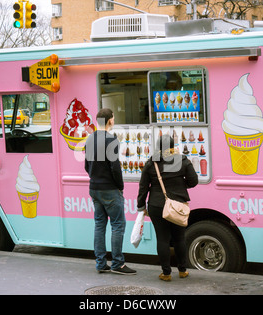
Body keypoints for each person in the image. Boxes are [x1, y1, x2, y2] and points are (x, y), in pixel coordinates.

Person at [136, 135, 198, 281]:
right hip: (178, 205)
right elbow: (194, 181)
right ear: (172, 145)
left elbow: (143, 186)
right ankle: (182, 270)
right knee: (179, 238)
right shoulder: (182, 160)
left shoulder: (152, 163)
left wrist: (141, 206)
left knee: (162, 239)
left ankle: (166, 273)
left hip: (157, 205)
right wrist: (182, 186)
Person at [84, 108, 136, 275]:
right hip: (110, 189)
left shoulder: (90, 138)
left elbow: (86, 166)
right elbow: (115, 167)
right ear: (110, 121)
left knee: (99, 225)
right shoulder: (111, 139)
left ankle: (100, 264)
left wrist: (95, 177)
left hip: (94, 188)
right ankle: (117, 264)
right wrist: (120, 186)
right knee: (118, 225)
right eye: (113, 118)